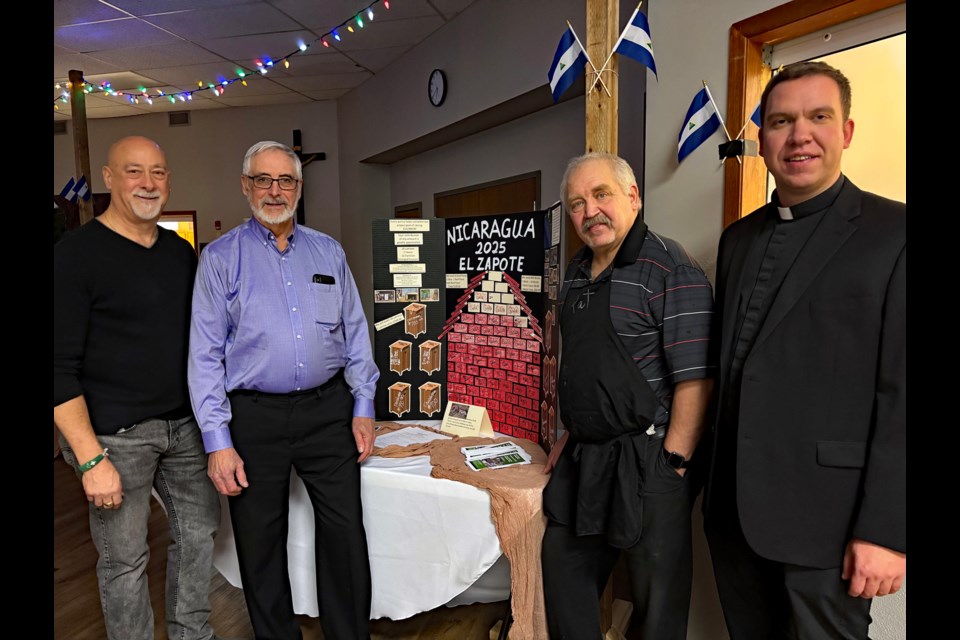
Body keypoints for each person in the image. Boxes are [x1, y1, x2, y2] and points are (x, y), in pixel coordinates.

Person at [703, 61, 906, 639]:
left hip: (831, 524)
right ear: (761, 138)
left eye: (819, 117)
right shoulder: (737, 238)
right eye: (780, 121)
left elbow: (904, 396)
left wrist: (888, 531)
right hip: (734, 516)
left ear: (845, 131)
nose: (799, 135)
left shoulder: (895, 234)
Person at [188, 141, 379, 640]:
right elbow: (204, 355)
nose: (275, 191)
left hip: (328, 412)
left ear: (299, 186)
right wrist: (217, 441)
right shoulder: (220, 259)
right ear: (245, 186)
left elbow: (356, 333)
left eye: (286, 180)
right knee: (261, 543)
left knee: (345, 535)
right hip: (253, 420)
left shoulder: (328, 251)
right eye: (263, 180)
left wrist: (362, 404)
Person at [541, 152, 715, 639]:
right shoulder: (575, 269)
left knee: (657, 603)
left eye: (601, 195)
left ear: (633, 197)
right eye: (576, 203)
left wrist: (673, 463)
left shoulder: (669, 268)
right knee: (563, 571)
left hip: (649, 457)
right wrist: (567, 435)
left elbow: (696, 380)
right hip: (585, 459)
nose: (589, 212)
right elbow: (580, 364)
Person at [53, 136, 221, 640]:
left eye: (158, 172)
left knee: (198, 540)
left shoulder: (179, 253)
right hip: (114, 439)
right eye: (133, 172)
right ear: (108, 178)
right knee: (124, 561)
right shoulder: (74, 256)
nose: (147, 183)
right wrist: (88, 459)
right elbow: (57, 366)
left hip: (185, 427)